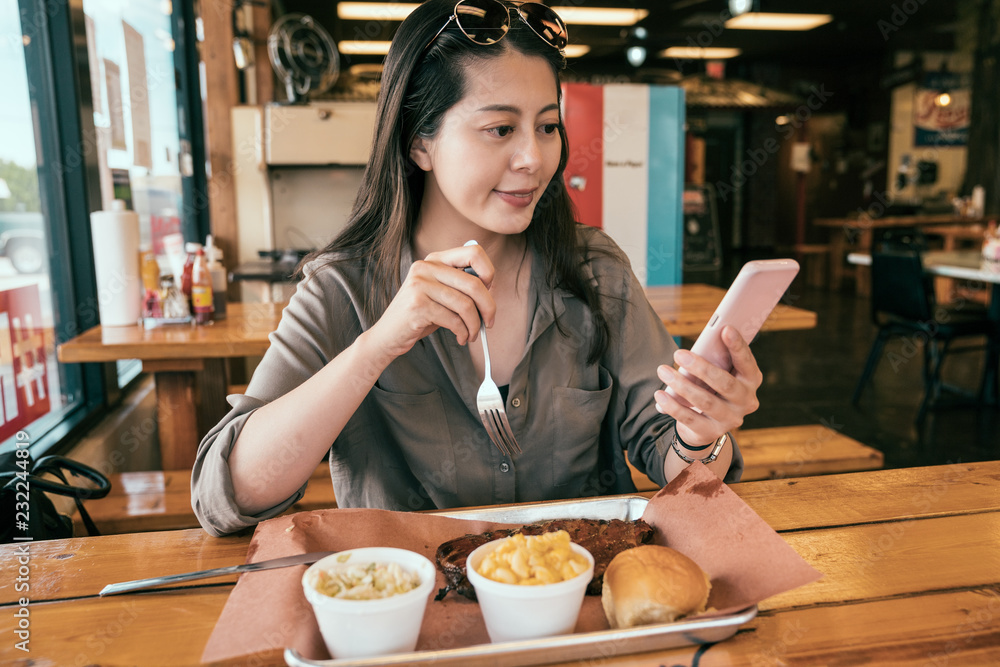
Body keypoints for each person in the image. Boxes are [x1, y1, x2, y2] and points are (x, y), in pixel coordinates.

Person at [191, 0, 762, 537]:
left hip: (581, 594)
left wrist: (701, 434)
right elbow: (226, 498)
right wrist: (376, 347)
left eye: (546, 126)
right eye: (500, 129)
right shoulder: (343, 289)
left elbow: (674, 460)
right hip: (415, 612)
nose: (534, 159)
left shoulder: (593, 269)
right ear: (420, 143)